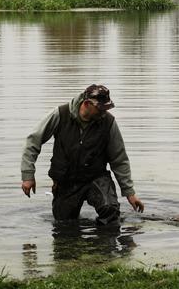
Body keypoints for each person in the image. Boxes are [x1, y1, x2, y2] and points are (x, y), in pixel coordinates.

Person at [21, 84, 144, 226]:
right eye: (101, 109)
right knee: (64, 224)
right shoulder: (60, 115)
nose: (104, 113)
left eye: (107, 109)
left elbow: (119, 159)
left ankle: (105, 245)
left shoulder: (108, 123)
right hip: (66, 181)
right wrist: (28, 176)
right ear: (87, 104)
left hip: (96, 178)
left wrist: (130, 193)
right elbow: (33, 142)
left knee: (110, 210)